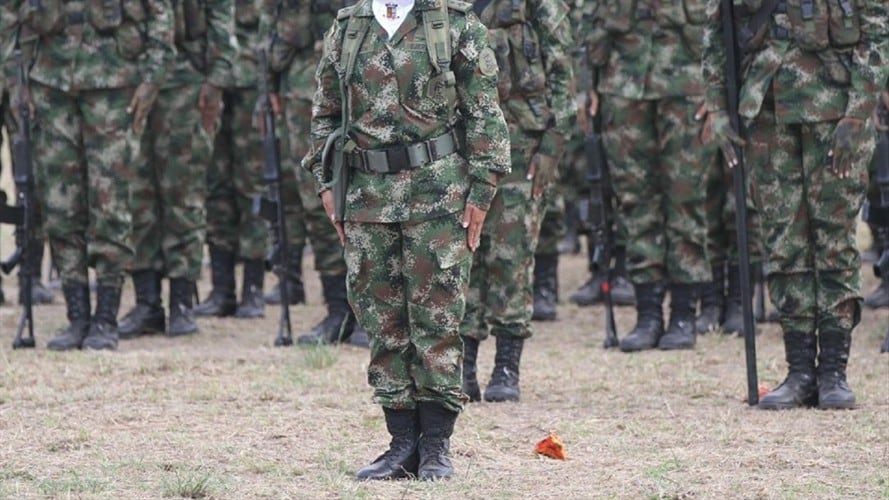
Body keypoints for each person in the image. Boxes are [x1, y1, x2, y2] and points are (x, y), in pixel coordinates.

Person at [304, 0, 510, 480]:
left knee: (436, 318)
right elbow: (325, 113)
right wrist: (326, 183)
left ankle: (436, 445)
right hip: (367, 197)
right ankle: (400, 443)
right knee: (382, 321)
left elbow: (485, 114)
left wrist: (482, 189)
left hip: (438, 195)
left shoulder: (454, 23)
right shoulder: (349, 26)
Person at [703, 0, 889, 409]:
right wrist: (717, 108)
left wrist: (858, 114)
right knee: (785, 240)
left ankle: (834, 373)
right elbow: (717, 34)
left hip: (837, 112)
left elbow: (877, 31)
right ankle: (800, 370)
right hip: (766, 110)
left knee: (834, 240)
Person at [4, 0, 174, 351]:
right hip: (48, 80)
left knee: (110, 200)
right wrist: (12, 78)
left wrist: (153, 77)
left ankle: (106, 317)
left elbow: (160, 13)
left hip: (114, 82)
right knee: (59, 203)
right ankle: (77, 316)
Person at [580, 0, 717, 352]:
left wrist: (719, 90)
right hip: (622, 84)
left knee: (685, 201)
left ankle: (684, 313)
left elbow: (726, 24)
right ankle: (648, 313)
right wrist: (586, 84)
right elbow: (588, 16)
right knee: (635, 202)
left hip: (688, 87)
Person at [459, 0, 574, 403]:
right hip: (462, 142)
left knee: (512, 254)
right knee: (463, 251)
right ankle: (464, 364)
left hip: (523, 142)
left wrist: (554, 143)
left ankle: (507, 365)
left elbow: (561, 69)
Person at [118, 0, 237, 339]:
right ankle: (147, 302)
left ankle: (182, 302)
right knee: (138, 195)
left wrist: (216, 80)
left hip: (188, 83)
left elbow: (220, 18)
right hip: (132, 80)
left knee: (183, 193)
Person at [259, 0, 369, 347]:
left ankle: (362, 311)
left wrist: (272, 75)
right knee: (320, 199)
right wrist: (272, 83)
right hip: (311, 87)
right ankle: (343, 309)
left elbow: (286, 30)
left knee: (359, 196)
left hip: (352, 84)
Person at [195, 0, 269, 320]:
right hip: (209, 76)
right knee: (215, 183)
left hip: (251, 76)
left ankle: (253, 288)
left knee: (251, 183)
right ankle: (222, 289)